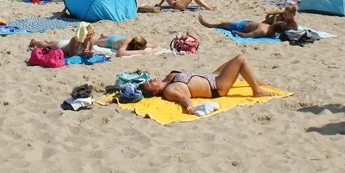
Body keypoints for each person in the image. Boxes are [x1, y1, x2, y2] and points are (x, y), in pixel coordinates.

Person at [139, 54, 274, 114]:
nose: (151, 80)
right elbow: (183, 98)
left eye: (149, 80)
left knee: (232, 62)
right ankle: (257, 91)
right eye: (150, 84)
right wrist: (189, 106)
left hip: (212, 75)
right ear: (155, 92)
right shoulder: (169, 91)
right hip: (217, 86)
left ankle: (254, 81)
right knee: (240, 59)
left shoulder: (168, 78)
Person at [29, 22, 96, 58]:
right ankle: (34, 42)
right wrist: (83, 53)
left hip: (66, 43)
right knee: (45, 45)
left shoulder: (90, 39)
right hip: (60, 46)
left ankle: (50, 41)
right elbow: (71, 53)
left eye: (91, 35)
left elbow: (90, 49)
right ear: (82, 34)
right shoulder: (75, 40)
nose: (90, 37)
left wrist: (90, 50)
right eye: (88, 35)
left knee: (52, 43)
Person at [198, 14, 289, 38]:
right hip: (248, 22)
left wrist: (236, 32)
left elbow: (246, 35)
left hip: (240, 26)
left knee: (223, 24)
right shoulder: (271, 30)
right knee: (225, 24)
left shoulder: (262, 31)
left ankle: (208, 24)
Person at [92, 34, 160, 57]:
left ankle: (103, 36)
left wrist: (151, 51)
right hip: (111, 41)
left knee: (103, 38)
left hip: (120, 37)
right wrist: (140, 52)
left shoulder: (142, 43)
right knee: (94, 41)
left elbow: (158, 47)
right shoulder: (127, 42)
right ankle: (103, 38)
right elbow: (119, 53)